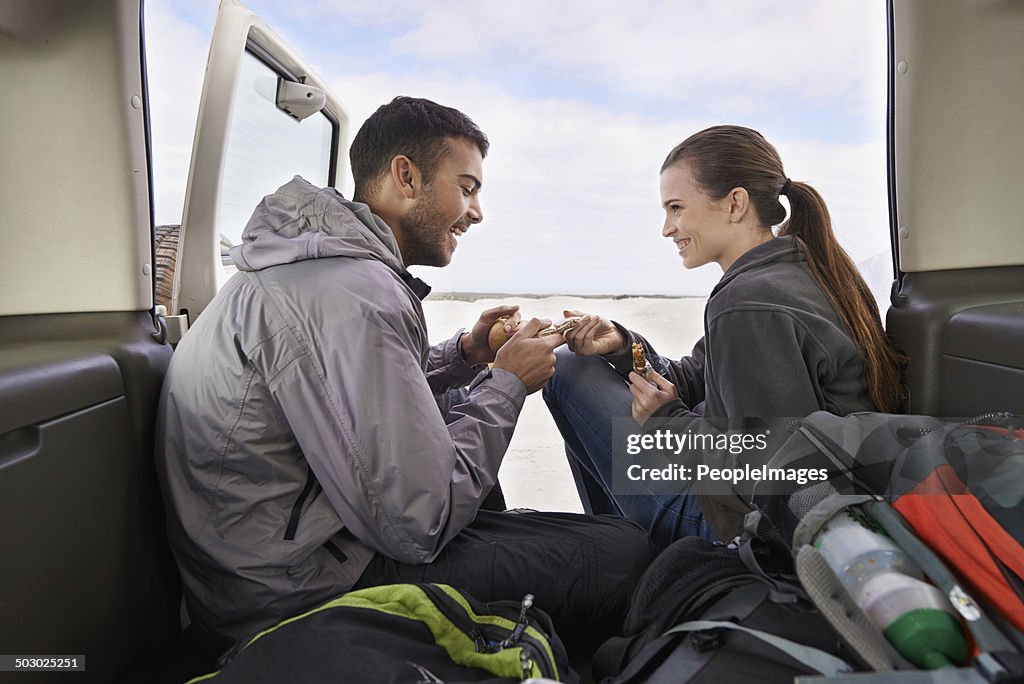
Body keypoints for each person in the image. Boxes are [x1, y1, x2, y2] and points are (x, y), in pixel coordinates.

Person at [155, 96, 654, 655]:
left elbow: (356, 400)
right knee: (624, 555)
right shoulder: (354, 293)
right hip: (296, 596)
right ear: (405, 176)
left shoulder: (318, 271)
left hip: (275, 563)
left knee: (493, 480)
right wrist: (508, 383)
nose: (477, 212)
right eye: (466, 188)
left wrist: (467, 353)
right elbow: (422, 523)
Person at [543, 125, 904, 546]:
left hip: (739, 525)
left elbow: (767, 470)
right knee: (591, 393)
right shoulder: (801, 268)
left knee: (567, 371)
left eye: (676, 208)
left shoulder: (748, 301)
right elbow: (701, 375)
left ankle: (626, 559)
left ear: (735, 203)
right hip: (822, 497)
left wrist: (666, 423)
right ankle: (623, 550)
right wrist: (624, 348)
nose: (666, 228)